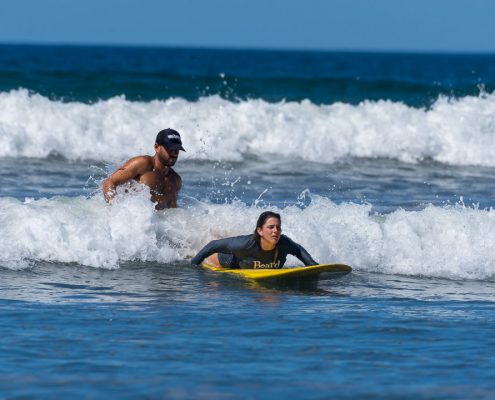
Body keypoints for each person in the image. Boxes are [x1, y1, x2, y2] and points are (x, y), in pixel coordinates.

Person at [191, 211, 317, 269]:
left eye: (278, 227)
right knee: (212, 256)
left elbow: (298, 249)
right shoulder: (245, 244)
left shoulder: (284, 243)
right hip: (228, 261)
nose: (275, 231)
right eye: (270, 227)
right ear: (260, 231)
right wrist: (193, 265)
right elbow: (213, 245)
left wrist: (312, 266)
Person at [102, 128, 185, 209]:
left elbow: (171, 214)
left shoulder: (176, 181)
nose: (174, 154)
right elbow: (109, 183)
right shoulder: (143, 164)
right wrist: (115, 210)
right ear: (157, 147)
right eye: (170, 149)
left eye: (177, 150)